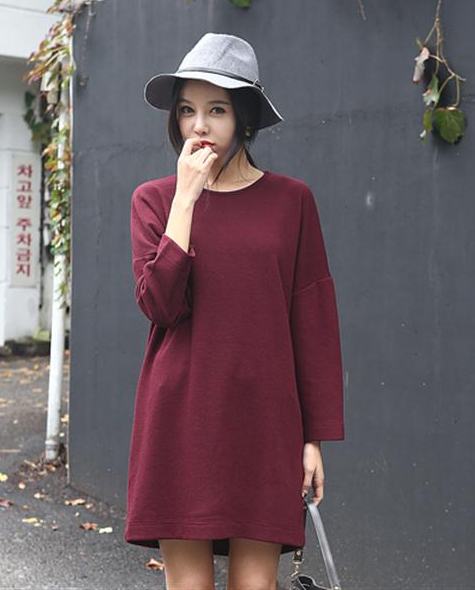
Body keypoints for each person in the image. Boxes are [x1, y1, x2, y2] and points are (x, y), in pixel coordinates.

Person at [124, 33, 345, 590]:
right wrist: (185, 199)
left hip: (266, 421)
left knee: (256, 584)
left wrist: (314, 437)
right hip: (181, 417)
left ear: (244, 116)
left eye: (217, 110)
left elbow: (312, 320)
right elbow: (160, 305)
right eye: (187, 110)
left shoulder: (292, 201)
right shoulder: (154, 199)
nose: (199, 125)